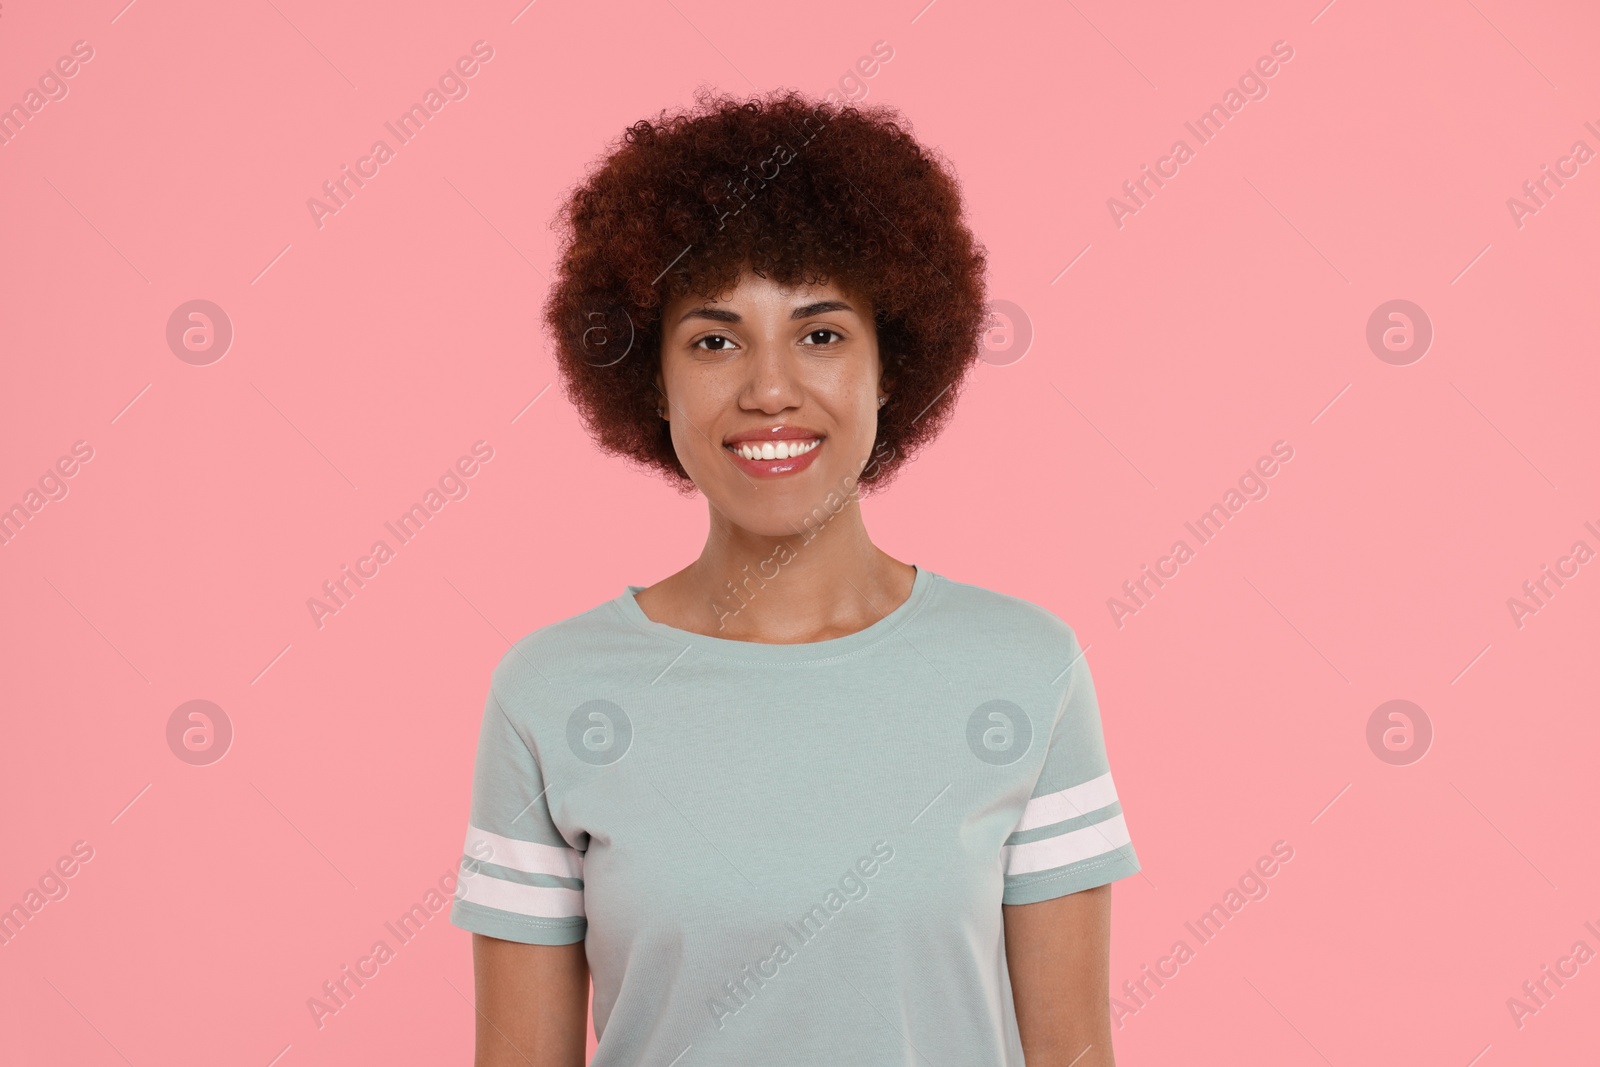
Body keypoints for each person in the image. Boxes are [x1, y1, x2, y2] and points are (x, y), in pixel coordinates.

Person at [448, 87, 1141, 1066]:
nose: (769, 388)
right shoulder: (551, 693)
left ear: (890, 362)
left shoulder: (1026, 669)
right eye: (714, 339)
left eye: (819, 333)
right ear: (651, 377)